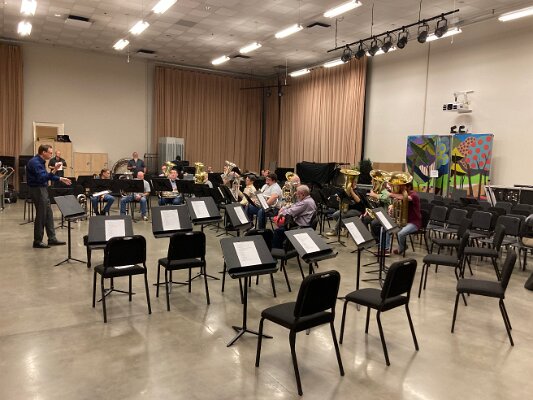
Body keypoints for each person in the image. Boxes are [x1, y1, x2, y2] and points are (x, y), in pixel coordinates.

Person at [27, 144, 71, 248]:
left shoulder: (40, 162)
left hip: (42, 189)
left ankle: (52, 238)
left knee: (48, 214)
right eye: (50, 153)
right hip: (37, 190)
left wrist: (60, 178)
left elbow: (46, 176)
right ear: (43, 152)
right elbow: (43, 178)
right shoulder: (35, 162)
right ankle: (37, 241)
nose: (51, 155)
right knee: (41, 215)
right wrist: (54, 170)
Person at [389, 182, 421, 255]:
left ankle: (402, 248)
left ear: (409, 187)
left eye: (402, 186)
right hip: (404, 221)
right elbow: (398, 201)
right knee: (389, 229)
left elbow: (407, 198)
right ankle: (386, 249)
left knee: (401, 233)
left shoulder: (414, 195)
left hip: (414, 222)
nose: (400, 187)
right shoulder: (402, 194)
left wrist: (391, 194)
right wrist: (392, 206)